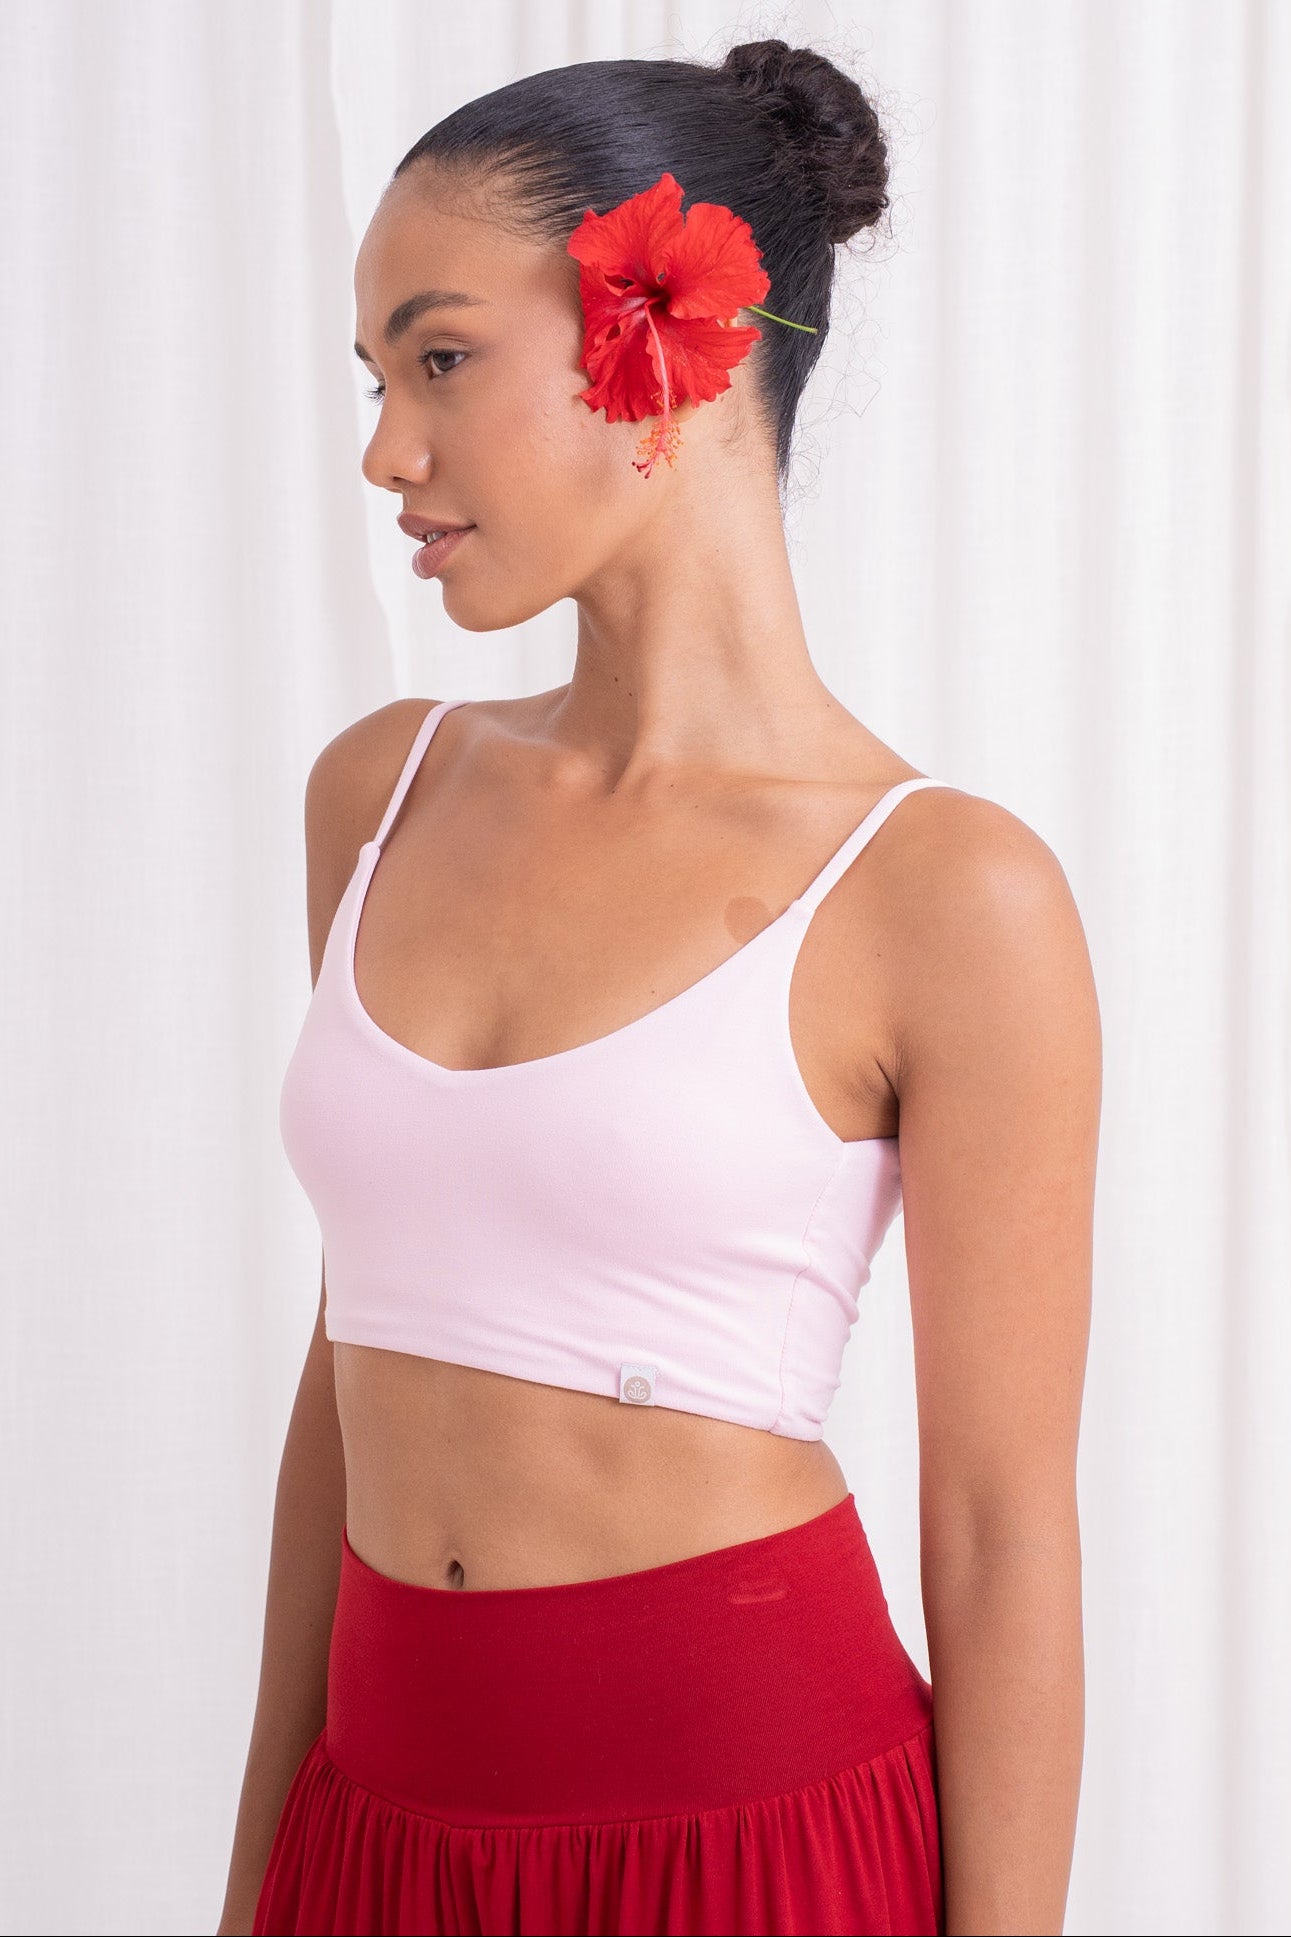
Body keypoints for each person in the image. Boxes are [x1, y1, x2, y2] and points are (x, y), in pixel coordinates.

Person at [219, 36, 1100, 1937]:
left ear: (670, 344)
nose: (386, 450)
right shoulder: (380, 792)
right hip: (381, 1828)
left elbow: (1002, 1535)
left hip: (752, 1848)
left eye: (441, 361)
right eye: (376, 378)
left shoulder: (948, 893)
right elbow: (350, 1367)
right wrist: (259, 1869)